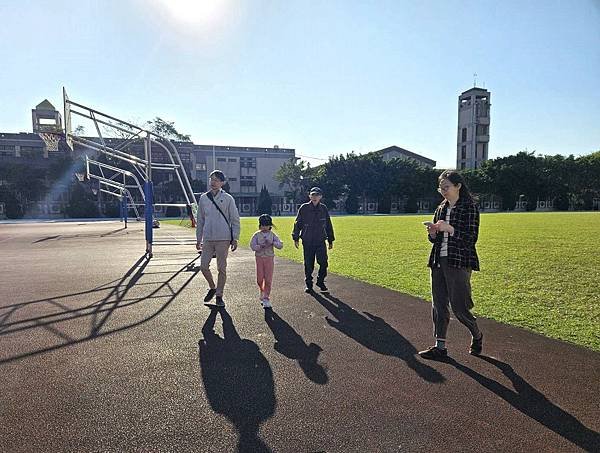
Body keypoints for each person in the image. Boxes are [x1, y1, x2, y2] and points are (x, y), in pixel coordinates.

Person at [419, 170, 484, 360]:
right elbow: (435, 240)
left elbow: (471, 238)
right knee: (438, 305)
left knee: (460, 307)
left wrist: (450, 229)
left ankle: (477, 334)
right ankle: (440, 346)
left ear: (458, 186)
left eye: (446, 187)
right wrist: (432, 233)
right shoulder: (440, 208)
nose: (443, 191)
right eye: (441, 188)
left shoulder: (469, 207)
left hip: (459, 261)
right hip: (439, 260)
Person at [196, 170, 241, 307]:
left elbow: (235, 219)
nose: (213, 182)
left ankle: (219, 295)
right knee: (203, 266)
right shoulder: (204, 198)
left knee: (222, 268)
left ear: (222, 183)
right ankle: (212, 287)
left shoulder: (228, 198)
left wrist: (235, 238)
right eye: (211, 179)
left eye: (216, 180)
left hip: (223, 238)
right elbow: (200, 220)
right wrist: (198, 239)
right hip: (208, 238)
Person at [292, 187, 335, 293]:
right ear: (309, 196)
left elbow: (328, 224)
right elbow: (298, 223)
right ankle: (309, 284)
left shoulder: (323, 208)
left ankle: (320, 281)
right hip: (308, 240)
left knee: (323, 262)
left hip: (320, 240)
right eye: (313, 195)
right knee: (308, 264)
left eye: (317, 195)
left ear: (320, 197)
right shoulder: (304, 208)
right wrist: (296, 237)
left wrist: (330, 240)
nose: (314, 197)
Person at [250, 214, 284, 309]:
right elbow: (252, 246)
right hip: (259, 258)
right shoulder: (256, 235)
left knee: (268, 278)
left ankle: (266, 297)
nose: (264, 227)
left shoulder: (272, 235)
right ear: (260, 225)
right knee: (260, 278)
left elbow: (280, 245)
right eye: (262, 225)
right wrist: (259, 247)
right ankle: (262, 290)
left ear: (270, 225)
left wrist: (273, 243)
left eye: (266, 225)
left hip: (269, 258)